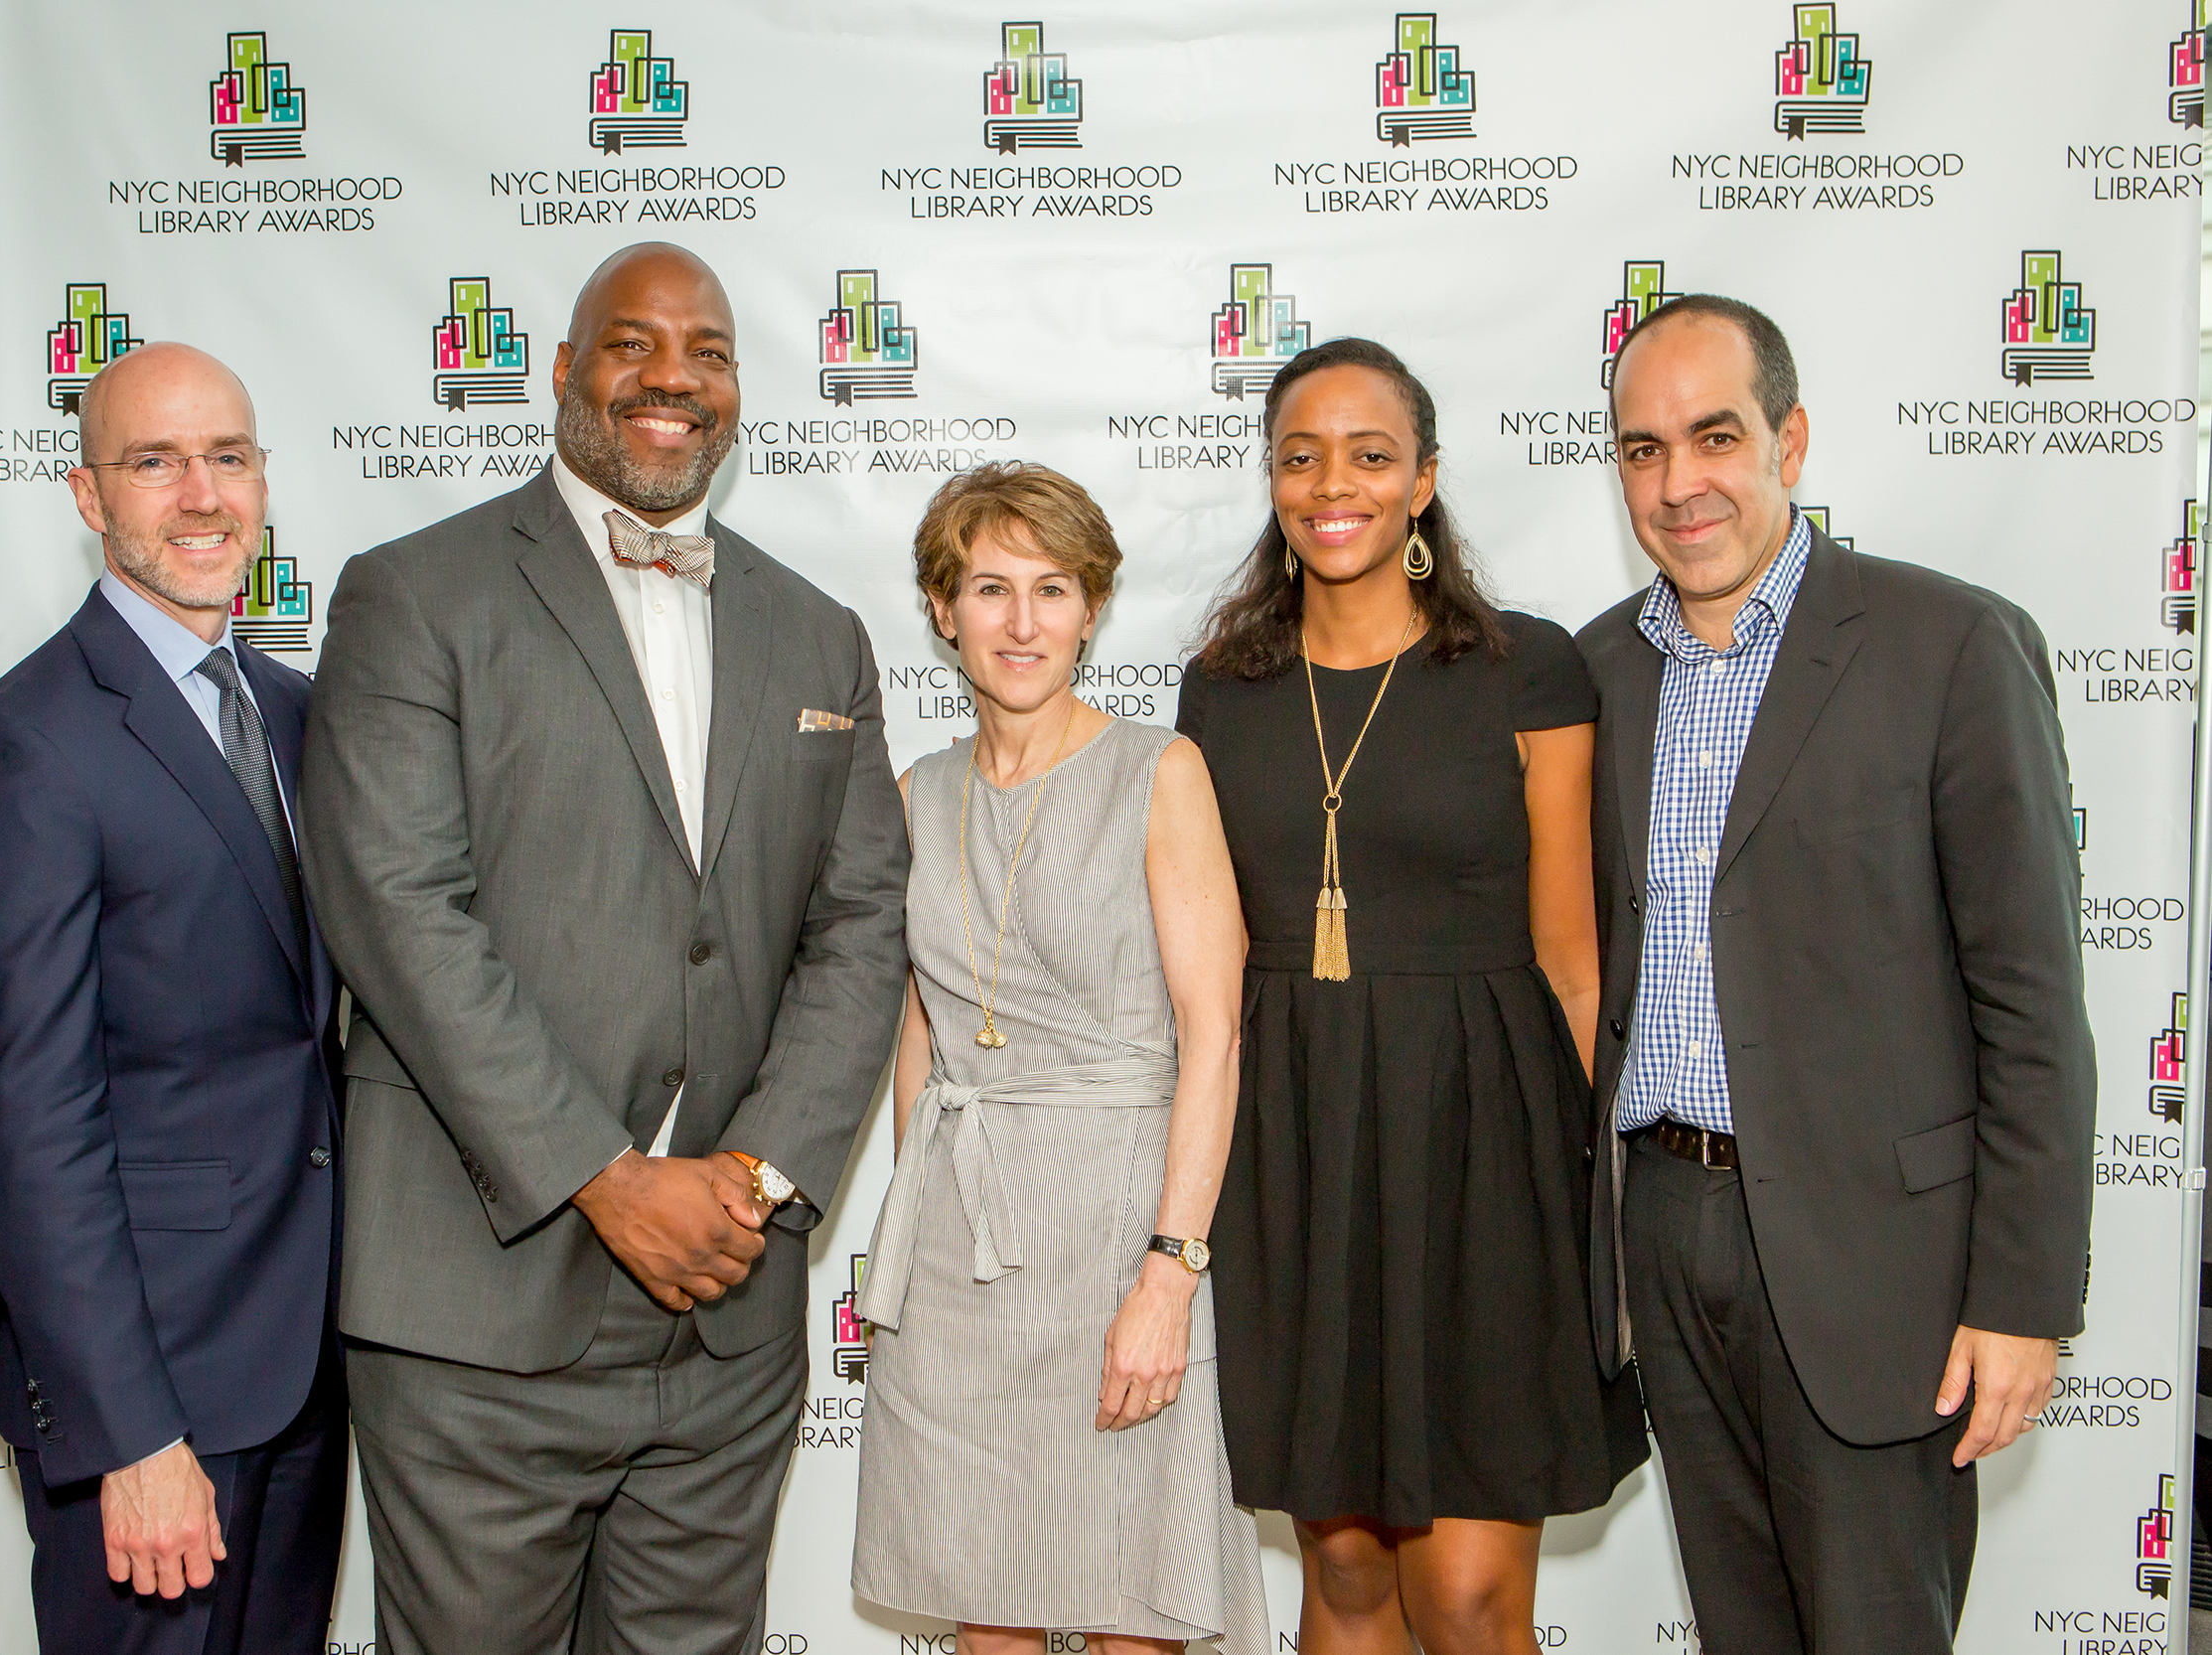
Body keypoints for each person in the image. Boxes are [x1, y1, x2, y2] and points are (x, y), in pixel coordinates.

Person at [299, 241, 910, 1655]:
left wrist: (751, 1182)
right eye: (630, 343)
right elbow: (400, 910)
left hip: (728, 1321)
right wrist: (607, 1176)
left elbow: (861, 924)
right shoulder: (414, 594)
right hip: (479, 1317)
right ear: (564, 370)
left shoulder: (818, 634)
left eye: (705, 350)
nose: (671, 377)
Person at [1582, 293, 2093, 1653]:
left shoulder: (1951, 648)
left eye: (1715, 435)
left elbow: (2033, 1001)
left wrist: (2024, 1296)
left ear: (1790, 439)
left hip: (1882, 1259)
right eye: (1642, 448)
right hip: (1667, 1237)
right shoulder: (1596, 674)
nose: (1679, 482)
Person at [1176, 337, 1646, 1655]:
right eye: (1303, 454)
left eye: (1373, 454)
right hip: (1299, 1155)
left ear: (1424, 481)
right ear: (1272, 479)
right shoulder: (1220, 690)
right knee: (1344, 1583)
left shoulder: (1528, 669)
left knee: (1468, 1597)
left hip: (1486, 1154)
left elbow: (1573, 955)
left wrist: (1598, 1203)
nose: (1338, 482)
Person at [0, 342, 346, 1652]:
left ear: (265, 481)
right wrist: (133, 1433)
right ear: (86, 495)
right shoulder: (21, 749)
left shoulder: (299, 717)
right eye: (154, 461)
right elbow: (29, 1122)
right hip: (150, 1403)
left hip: (297, 1375)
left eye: (227, 457)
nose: (201, 494)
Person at [852, 462, 1268, 1655]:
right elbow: (920, 1031)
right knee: (988, 1611)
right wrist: (915, 1224)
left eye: (1052, 587)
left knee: (1129, 1611)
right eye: (990, 588)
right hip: (962, 1262)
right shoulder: (917, 794)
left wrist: (1170, 1273)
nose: (1022, 622)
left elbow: (1215, 1033)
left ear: (1091, 607)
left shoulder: (1159, 771)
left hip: (1117, 1238)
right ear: (943, 609)